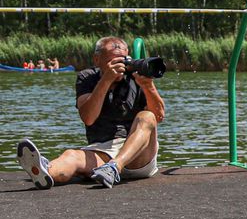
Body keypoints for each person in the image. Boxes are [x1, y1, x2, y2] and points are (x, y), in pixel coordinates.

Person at [16, 36, 165, 189]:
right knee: (71, 156)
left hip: (139, 153)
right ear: (97, 59)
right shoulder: (87, 77)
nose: (120, 65)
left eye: (123, 60)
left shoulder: (136, 76)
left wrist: (148, 86)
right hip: (103, 151)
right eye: (112, 61)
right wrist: (106, 80)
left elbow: (158, 117)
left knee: (147, 116)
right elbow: (88, 118)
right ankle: (43, 170)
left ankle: (115, 167)